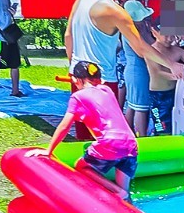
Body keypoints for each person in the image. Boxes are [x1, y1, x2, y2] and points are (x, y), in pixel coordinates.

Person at [26, 61, 138, 202]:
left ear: (76, 80)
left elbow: (64, 126)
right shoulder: (107, 90)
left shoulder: (78, 97)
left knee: (81, 167)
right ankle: (127, 203)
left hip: (110, 142)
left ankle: (117, 191)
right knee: (126, 195)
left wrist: (48, 151)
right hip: (131, 143)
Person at [65, 0, 182, 88]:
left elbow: (68, 36)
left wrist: (74, 67)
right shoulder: (115, 11)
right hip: (102, 81)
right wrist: (172, 64)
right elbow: (140, 48)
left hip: (77, 78)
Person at [122, 0, 155, 136]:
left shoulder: (137, 29)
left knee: (132, 104)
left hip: (134, 71)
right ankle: (142, 137)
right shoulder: (132, 33)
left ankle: (127, 132)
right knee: (141, 107)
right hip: (138, 71)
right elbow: (143, 52)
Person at [149, 29, 184, 136]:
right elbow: (157, 72)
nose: (170, 39)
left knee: (177, 123)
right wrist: (176, 76)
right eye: (166, 36)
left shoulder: (176, 50)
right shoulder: (151, 51)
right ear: (154, 32)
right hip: (159, 96)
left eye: (172, 36)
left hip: (175, 93)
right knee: (162, 129)